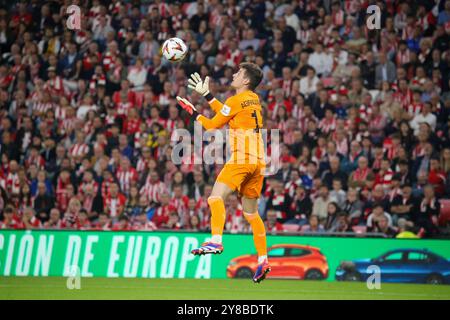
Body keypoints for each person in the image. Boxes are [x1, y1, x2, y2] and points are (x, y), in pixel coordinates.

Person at [176, 63, 270, 283]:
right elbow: (227, 113)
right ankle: (263, 260)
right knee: (251, 214)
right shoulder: (253, 99)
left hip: (241, 158)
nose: (234, 74)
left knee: (215, 197)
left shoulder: (235, 100)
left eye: (239, 73)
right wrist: (208, 95)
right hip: (258, 162)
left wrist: (193, 112)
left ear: (246, 80)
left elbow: (211, 125)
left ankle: (216, 240)